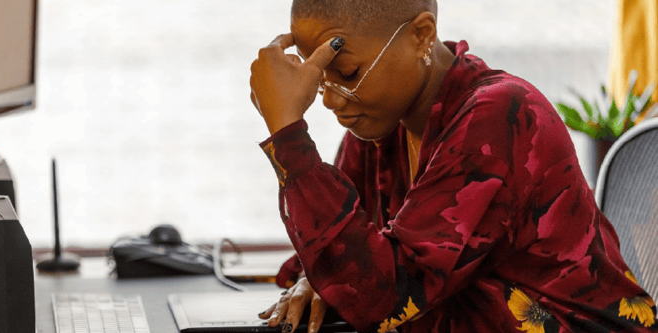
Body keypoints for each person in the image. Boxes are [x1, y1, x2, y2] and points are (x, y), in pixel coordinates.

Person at [248, 0, 658, 332]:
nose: (332, 100)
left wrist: (287, 133)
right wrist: (314, 283)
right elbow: (341, 258)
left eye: (349, 73)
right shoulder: (378, 129)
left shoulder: (498, 115)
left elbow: (389, 299)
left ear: (420, 35)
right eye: (319, 80)